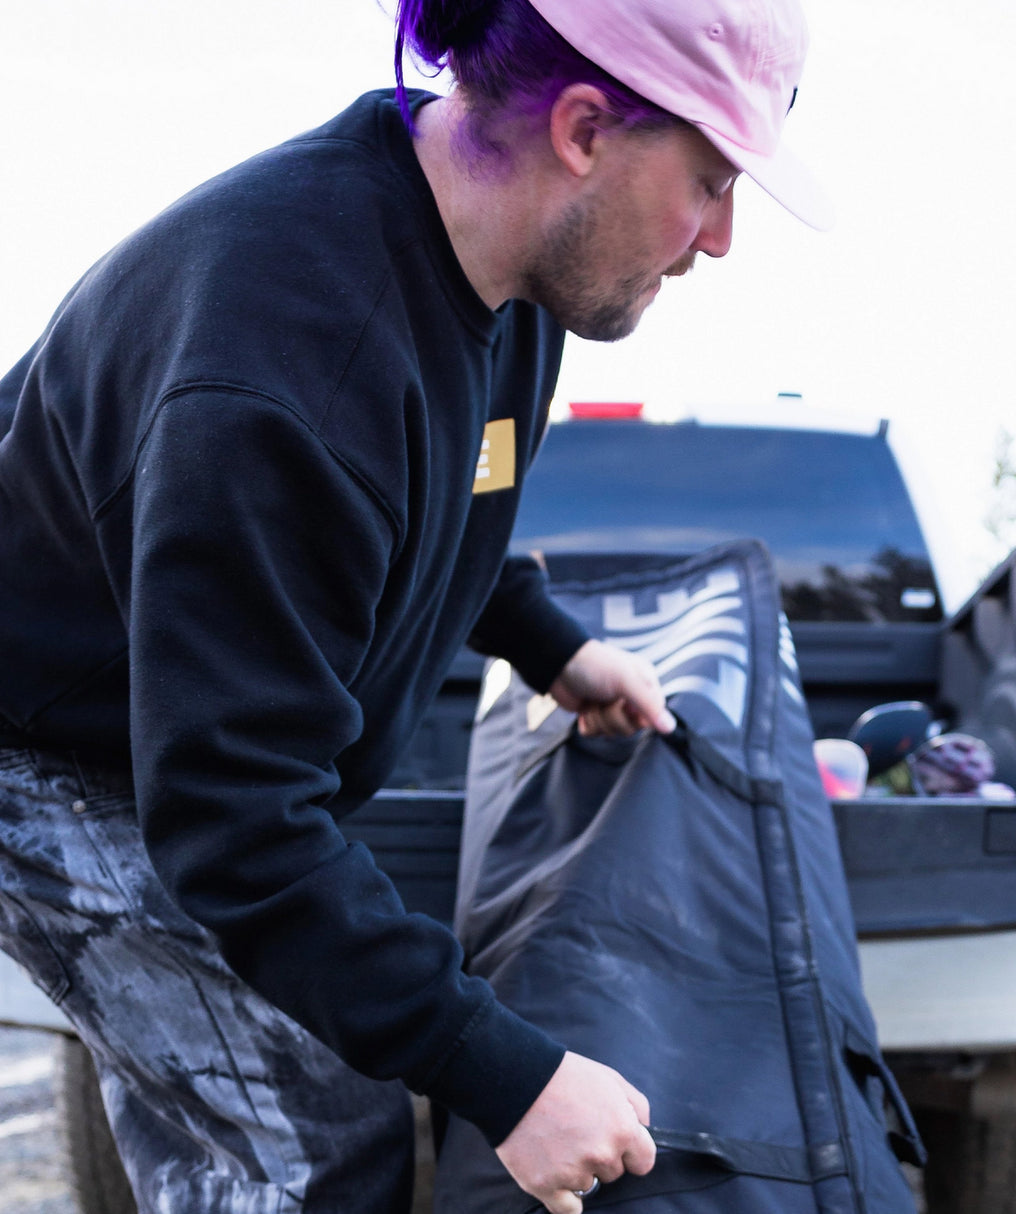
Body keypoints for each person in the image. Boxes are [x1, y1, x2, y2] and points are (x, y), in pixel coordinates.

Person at [0, 0, 830, 1210]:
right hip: (51, 746)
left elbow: (438, 501)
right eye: (707, 181)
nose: (718, 240)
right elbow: (236, 821)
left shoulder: (509, 278)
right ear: (585, 128)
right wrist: (509, 1075)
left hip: (196, 743)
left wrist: (553, 646)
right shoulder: (283, 361)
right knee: (311, 1138)